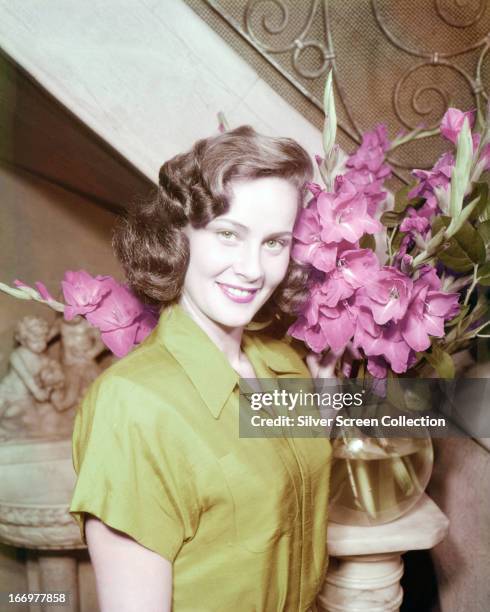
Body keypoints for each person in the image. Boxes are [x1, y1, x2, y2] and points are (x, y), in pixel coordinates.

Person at [69, 125, 337, 611]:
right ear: (178, 236)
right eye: (228, 235)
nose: (253, 269)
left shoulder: (283, 363)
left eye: (274, 243)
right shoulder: (132, 407)